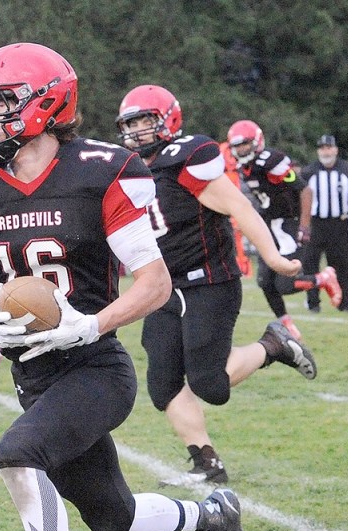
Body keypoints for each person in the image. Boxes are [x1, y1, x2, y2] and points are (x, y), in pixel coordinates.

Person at [0, 42, 260, 531]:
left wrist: (91, 324)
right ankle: (213, 516)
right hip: (34, 377)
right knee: (114, 520)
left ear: (46, 103)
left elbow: (154, 283)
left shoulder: (101, 171)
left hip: (95, 367)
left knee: (17, 453)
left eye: (1, 103)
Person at [117, 87, 317, 487]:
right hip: (164, 289)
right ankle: (206, 462)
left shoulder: (186, 159)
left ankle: (273, 345)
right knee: (163, 385)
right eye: (131, 123)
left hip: (209, 280)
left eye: (145, 121)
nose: (137, 131)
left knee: (210, 384)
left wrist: (273, 257)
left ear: (168, 120)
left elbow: (239, 206)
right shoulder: (127, 169)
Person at [227, 119, 341, 340]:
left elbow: (305, 190)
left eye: (245, 143)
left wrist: (304, 226)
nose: (241, 149)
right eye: (237, 145)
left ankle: (324, 278)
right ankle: (287, 324)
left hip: (288, 223)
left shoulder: (271, 161)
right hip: (269, 225)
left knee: (285, 284)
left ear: (256, 142)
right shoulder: (244, 167)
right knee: (265, 282)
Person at [299, 134, 348, 312]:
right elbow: (299, 196)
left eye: (329, 148)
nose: (326, 151)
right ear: (318, 151)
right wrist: (301, 223)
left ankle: (346, 303)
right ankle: (313, 303)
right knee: (310, 262)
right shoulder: (309, 172)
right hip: (315, 224)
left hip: (340, 223)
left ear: (336, 150)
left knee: (342, 264)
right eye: (322, 148)